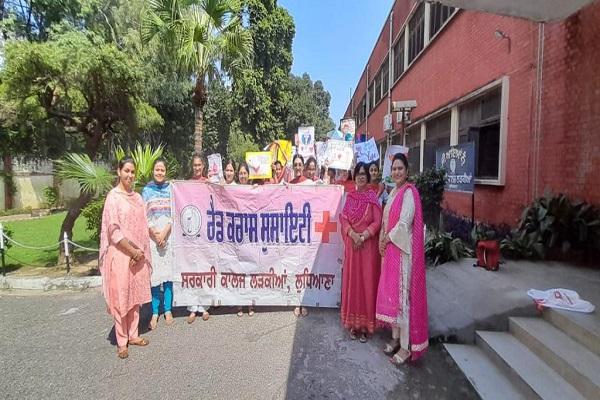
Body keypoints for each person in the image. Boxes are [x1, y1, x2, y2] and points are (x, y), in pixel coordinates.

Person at [376, 153, 428, 365]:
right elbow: (386, 219)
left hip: (403, 252)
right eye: (394, 169)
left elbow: (404, 223)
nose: (397, 172)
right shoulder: (394, 192)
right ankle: (395, 339)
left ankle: (406, 347)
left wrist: (386, 238)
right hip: (390, 250)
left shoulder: (409, 193)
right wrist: (382, 239)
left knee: (403, 298)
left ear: (407, 171)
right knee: (393, 296)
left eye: (400, 168)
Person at [99, 157, 152, 359]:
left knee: (135, 296)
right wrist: (132, 251)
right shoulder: (113, 198)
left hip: (137, 255)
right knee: (122, 297)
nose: (130, 175)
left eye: (132, 172)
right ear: (118, 171)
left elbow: (142, 227)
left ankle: (134, 334)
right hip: (121, 255)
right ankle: (122, 341)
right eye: (126, 171)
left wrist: (140, 253)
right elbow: (114, 231)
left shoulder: (138, 198)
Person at [340, 162, 382, 343]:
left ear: (368, 176)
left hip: (367, 250)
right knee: (353, 283)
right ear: (354, 176)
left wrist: (363, 236)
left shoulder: (373, 197)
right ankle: (354, 325)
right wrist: (352, 234)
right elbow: (343, 218)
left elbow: (377, 221)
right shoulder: (350, 197)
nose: (362, 176)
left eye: (364, 174)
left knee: (366, 283)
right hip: (352, 247)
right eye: (359, 174)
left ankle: (365, 326)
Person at [142, 158, 175, 330]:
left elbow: (174, 213)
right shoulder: (147, 191)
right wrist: (155, 234)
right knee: (155, 277)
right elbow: (144, 216)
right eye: (157, 170)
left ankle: (168, 309)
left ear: (166, 171)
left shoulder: (171, 189)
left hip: (168, 236)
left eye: (162, 170)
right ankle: (155, 312)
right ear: (153, 171)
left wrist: (165, 233)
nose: (160, 173)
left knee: (168, 275)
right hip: (152, 237)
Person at [187, 153, 211, 323]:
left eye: (199, 165)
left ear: (203, 166)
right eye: (194, 165)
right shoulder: (186, 185)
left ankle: (204, 307)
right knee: (192, 268)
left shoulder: (208, 183)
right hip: (190, 232)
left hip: (205, 232)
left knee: (204, 268)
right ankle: (192, 308)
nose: (197, 168)